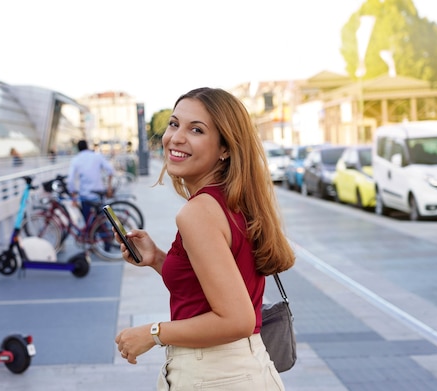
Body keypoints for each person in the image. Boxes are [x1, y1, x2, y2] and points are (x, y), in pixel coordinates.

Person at [114, 87, 295, 390]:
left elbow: (238, 319)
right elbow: (215, 287)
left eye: (196, 129)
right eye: (174, 124)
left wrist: (152, 333)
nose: (176, 137)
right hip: (245, 369)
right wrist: (157, 259)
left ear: (225, 148)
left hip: (215, 375)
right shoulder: (234, 201)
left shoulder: (198, 212)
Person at [66, 139, 115, 223]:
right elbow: (110, 170)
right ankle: (106, 234)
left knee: (88, 224)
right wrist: (109, 187)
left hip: (85, 195)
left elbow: (70, 180)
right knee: (101, 221)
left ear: (78, 148)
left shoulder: (76, 160)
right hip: (98, 194)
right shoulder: (97, 156)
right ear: (87, 147)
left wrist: (73, 197)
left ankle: (92, 234)